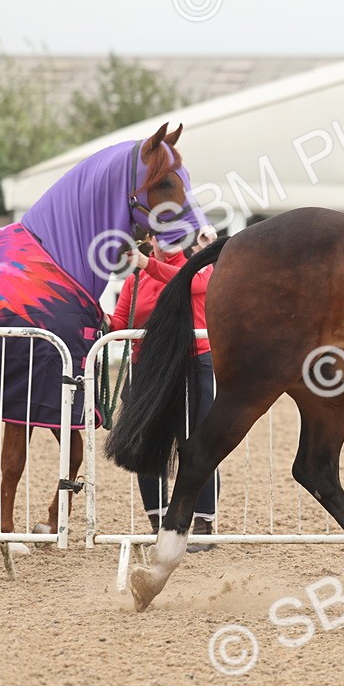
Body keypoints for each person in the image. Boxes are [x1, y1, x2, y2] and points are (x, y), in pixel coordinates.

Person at [109, 227, 220, 553]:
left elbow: (191, 281)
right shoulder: (136, 280)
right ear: (151, 239)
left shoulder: (198, 268)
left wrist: (146, 263)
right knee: (144, 442)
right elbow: (119, 324)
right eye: (161, 234)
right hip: (147, 368)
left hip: (191, 366)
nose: (166, 240)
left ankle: (200, 521)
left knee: (196, 442)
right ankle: (159, 521)